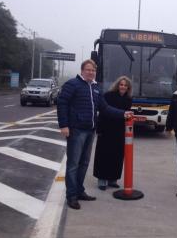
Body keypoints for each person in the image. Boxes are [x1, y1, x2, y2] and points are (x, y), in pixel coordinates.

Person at [57, 60, 133, 210]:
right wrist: (64, 125)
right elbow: (62, 103)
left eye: (93, 70)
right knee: (73, 164)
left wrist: (123, 113)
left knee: (84, 164)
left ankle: (79, 191)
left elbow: (105, 108)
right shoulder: (72, 84)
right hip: (76, 130)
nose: (91, 72)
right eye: (88, 70)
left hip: (90, 130)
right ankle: (71, 196)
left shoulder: (96, 88)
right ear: (82, 70)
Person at [93, 76, 133, 190]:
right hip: (106, 129)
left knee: (117, 155)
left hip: (120, 131)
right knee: (103, 155)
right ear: (117, 85)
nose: (123, 87)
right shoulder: (108, 95)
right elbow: (102, 112)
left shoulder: (129, 99)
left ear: (128, 87)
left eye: (125, 85)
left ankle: (113, 179)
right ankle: (102, 180)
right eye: (121, 84)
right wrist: (99, 129)